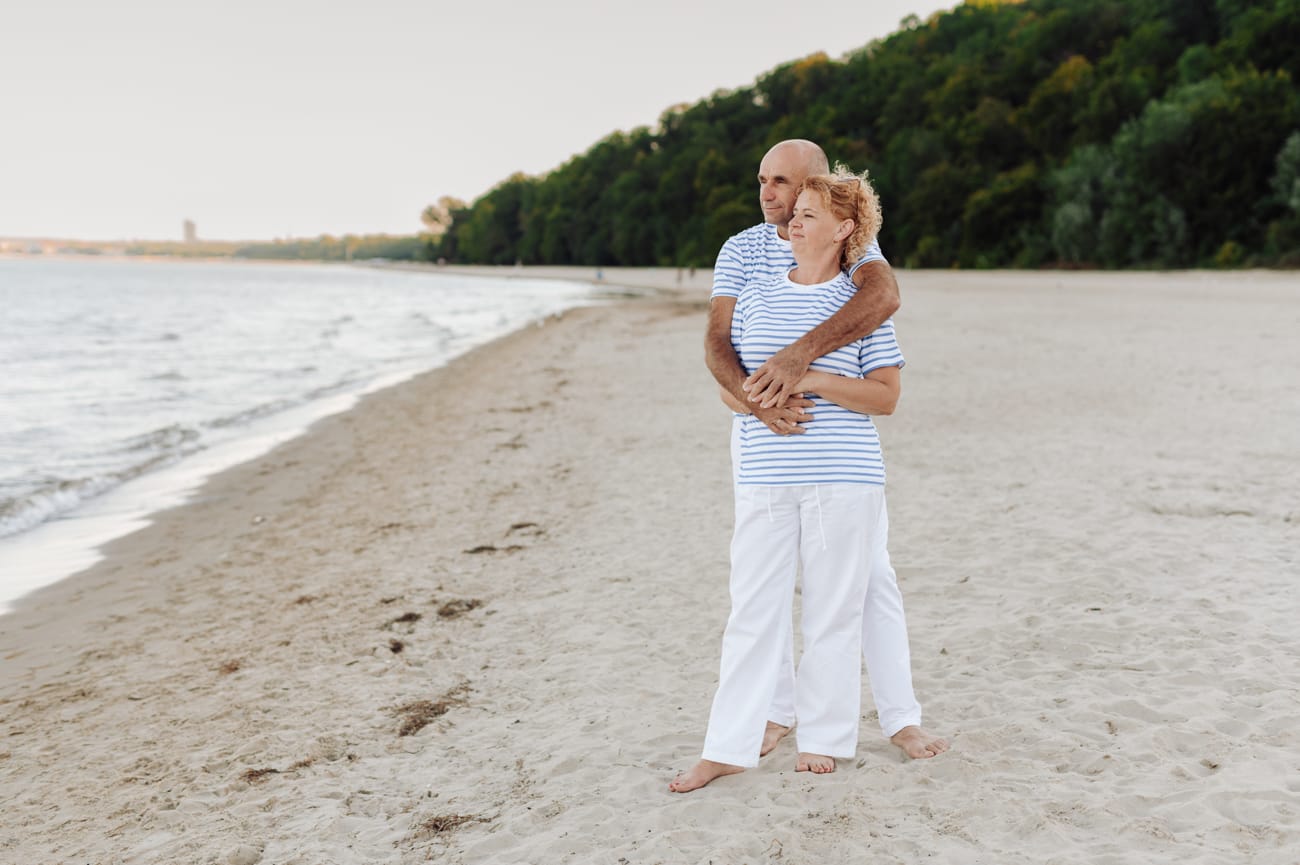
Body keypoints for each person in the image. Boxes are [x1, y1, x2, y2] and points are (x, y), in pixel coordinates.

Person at [704, 140, 946, 764]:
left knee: (869, 579)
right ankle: (776, 713)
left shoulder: (850, 238)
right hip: (762, 431)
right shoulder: (742, 249)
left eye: (782, 181)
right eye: (762, 179)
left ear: (818, 187)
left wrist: (800, 360)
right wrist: (757, 400)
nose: (768, 193)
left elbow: (881, 298)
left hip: (839, 450)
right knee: (763, 585)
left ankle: (900, 718)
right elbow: (719, 343)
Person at [671, 170, 906, 793]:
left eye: (806, 214)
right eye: (792, 212)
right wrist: (759, 405)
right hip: (765, 477)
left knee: (833, 612)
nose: (791, 223)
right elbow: (732, 389)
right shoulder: (756, 298)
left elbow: (885, 398)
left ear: (844, 229)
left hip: (846, 477)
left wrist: (815, 379)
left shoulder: (859, 310)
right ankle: (727, 746)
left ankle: (825, 739)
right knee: (752, 612)